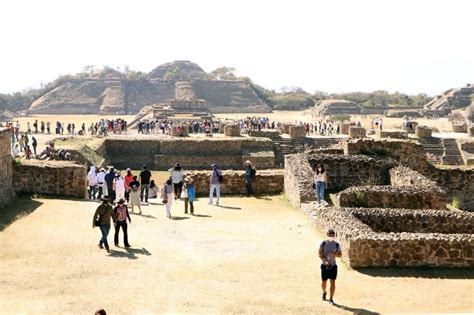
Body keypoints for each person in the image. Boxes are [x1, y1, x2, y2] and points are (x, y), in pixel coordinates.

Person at [319, 229, 342, 305]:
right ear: (327, 235)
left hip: (333, 266)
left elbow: (340, 255)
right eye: (329, 235)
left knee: (333, 283)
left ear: (334, 235)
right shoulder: (323, 243)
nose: (331, 236)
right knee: (324, 283)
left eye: (332, 235)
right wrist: (324, 261)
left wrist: (334, 254)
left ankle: (331, 298)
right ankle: (324, 292)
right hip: (324, 266)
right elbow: (319, 253)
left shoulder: (336, 245)